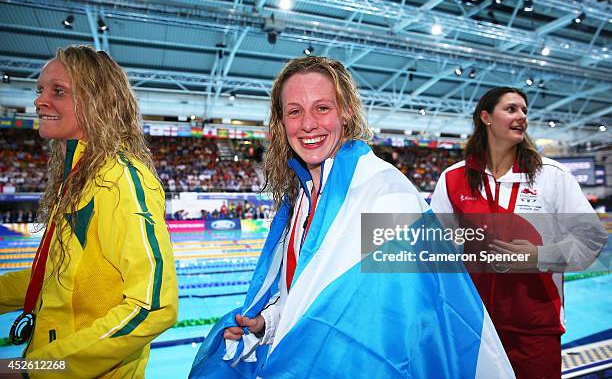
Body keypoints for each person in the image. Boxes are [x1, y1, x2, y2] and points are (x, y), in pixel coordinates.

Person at [190, 57, 513, 378]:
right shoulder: (299, 200)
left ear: (345, 112)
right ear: (281, 122)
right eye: (294, 111)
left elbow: (411, 322)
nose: (307, 124)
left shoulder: (385, 194)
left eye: (322, 108)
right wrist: (267, 324)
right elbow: (304, 298)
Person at [0, 46, 178, 378]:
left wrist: (34, 369)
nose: (39, 101)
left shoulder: (120, 180)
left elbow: (154, 307)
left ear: (96, 101)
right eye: (40, 90)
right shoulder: (79, 175)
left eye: (58, 91)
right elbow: (57, 276)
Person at [430, 87, 607, 378]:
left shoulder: (551, 175)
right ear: (486, 117)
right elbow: (436, 250)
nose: (522, 116)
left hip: (535, 327)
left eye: (524, 110)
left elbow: (591, 239)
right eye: (511, 109)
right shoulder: (453, 178)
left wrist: (539, 256)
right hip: (475, 323)